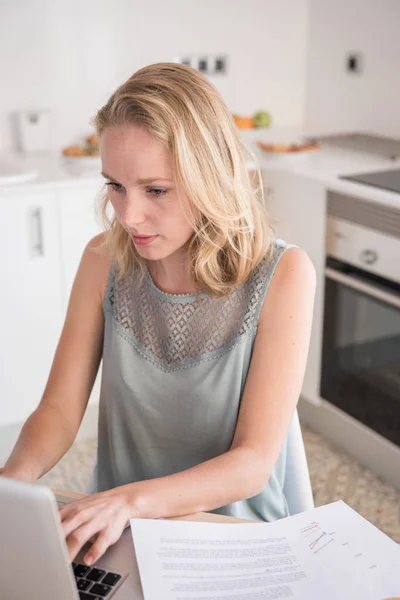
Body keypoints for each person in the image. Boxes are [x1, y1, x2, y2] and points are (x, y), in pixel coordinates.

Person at [0, 63, 316, 566]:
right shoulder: (102, 259)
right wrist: (8, 491)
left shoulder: (282, 273)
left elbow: (253, 463)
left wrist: (131, 501)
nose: (129, 216)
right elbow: (59, 411)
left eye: (156, 190)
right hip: (120, 534)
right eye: (115, 186)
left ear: (210, 175)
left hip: (232, 536)